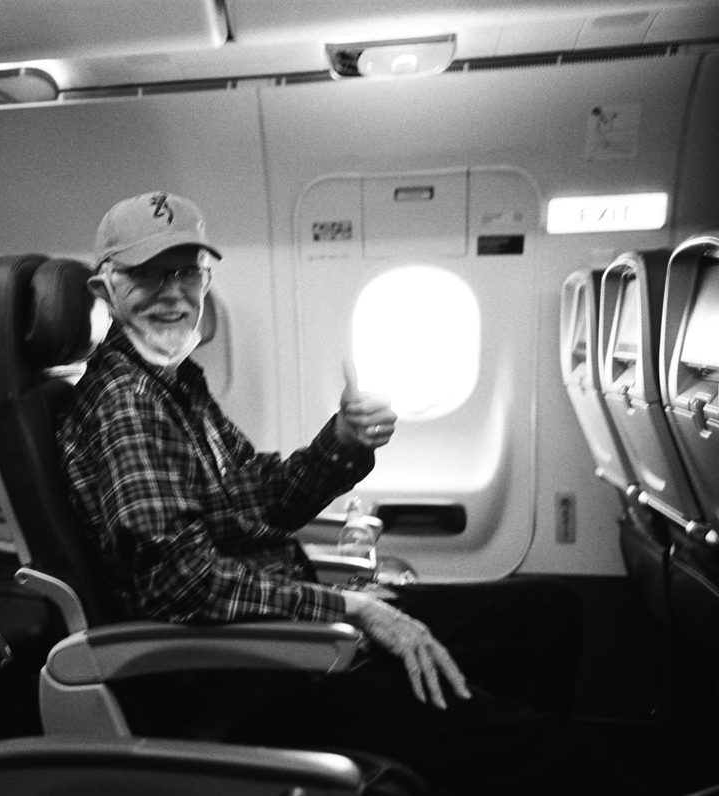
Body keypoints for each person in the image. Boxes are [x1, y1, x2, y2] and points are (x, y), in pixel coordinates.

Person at [56, 191, 614, 795]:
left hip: (279, 631)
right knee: (555, 750)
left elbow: (258, 496)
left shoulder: (174, 383)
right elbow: (180, 583)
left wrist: (344, 439)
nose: (173, 293)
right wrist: (352, 609)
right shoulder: (127, 406)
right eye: (147, 274)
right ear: (104, 290)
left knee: (548, 614)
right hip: (248, 672)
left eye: (187, 272)